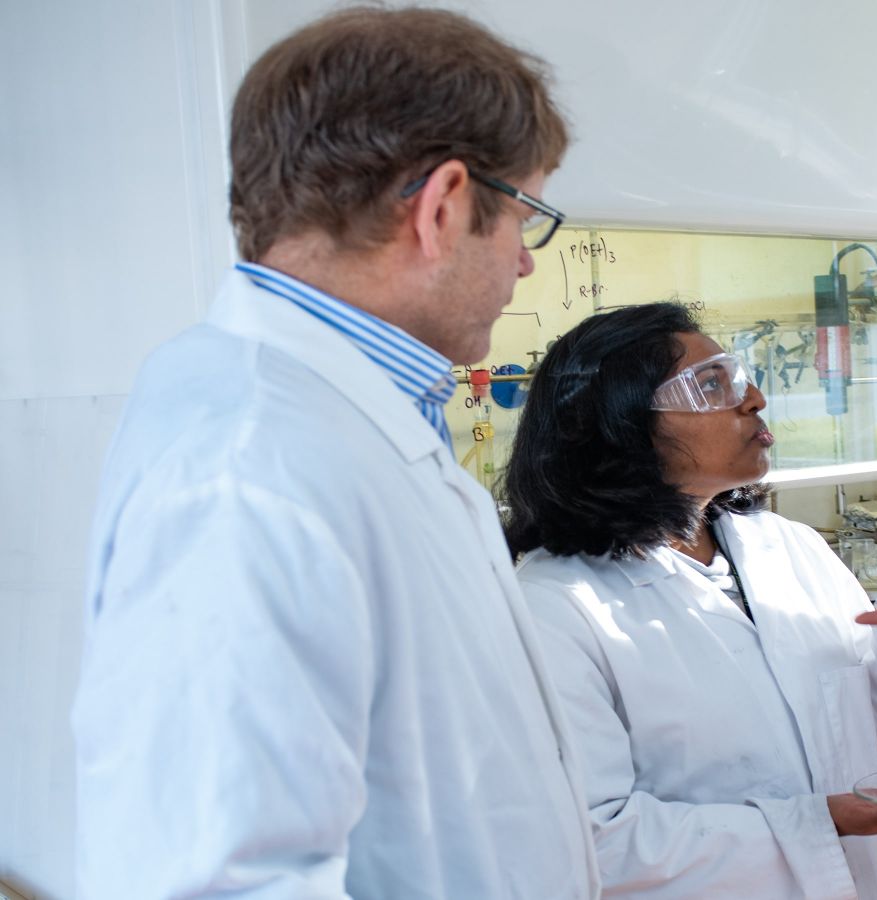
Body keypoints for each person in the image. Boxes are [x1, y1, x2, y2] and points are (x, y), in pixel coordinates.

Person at [72, 9, 600, 897]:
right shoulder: (247, 467)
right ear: (442, 208)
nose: (525, 265)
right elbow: (216, 881)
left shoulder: (349, 419)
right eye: (525, 217)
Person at [501, 301, 877, 899]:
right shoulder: (557, 605)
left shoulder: (788, 549)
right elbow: (590, 837)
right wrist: (819, 822)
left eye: (737, 375)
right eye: (711, 384)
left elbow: (860, 732)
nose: (754, 398)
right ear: (620, 422)